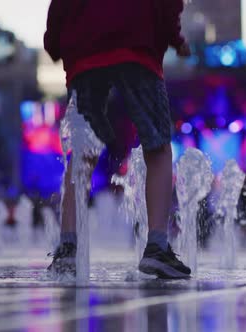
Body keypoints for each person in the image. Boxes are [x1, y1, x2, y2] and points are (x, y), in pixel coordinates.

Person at [44, 0, 192, 279]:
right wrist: (175, 37)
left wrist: (53, 41)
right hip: (136, 44)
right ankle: (157, 248)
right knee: (157, 147)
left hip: (84, 52)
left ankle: (67, 248)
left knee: (82, 153)